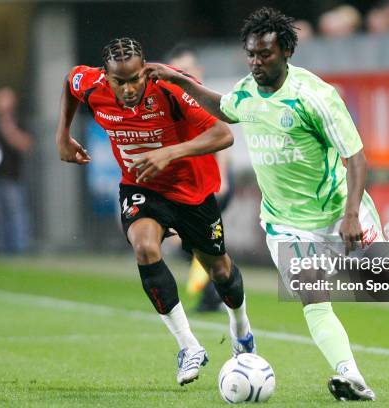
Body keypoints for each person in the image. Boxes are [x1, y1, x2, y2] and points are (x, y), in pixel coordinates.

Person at [141, 7, 389, 401]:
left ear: (285, 52)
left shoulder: (314, 97)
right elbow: (223, 107)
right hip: (285, 223)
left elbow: (356, 157)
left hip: (336, 210)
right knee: (314, 300)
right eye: (250, 54)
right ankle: (351, 376)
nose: (256, 62)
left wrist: (351, 213)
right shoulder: (248, 91)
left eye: (264, 54)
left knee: (384, 284)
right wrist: (181, 81)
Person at [55, 37, 255, 386]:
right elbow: (69, 83)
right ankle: (189, 346)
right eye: (121, 82)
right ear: (106, 77)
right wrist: (63, 136)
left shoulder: (169, 88)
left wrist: (169, 153)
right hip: (141, 187)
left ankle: (241, 330)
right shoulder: (92, 85)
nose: (130, 88)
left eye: (136, 79)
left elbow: (224, 134)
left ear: (145, 70)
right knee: (145, 248)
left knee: (220, 271)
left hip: (191, 192)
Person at [167, 43, 230, 313]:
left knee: (198, 241)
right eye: (178, 70)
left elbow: (222, 139)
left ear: (198, 70)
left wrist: (224, 178)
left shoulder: (207, 99)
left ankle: (216, 292)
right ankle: (216, 290)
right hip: (186, 185)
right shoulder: (171, 102)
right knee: (189, 244)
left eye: (187, 68)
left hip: (213, 182)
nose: (184, 74)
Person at [0, 87, 33, 254]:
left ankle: (20, 248)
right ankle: (2, 248)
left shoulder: (18, 122)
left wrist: (9, 129)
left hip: (12, 176)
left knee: (16, 213)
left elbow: (26, 144)